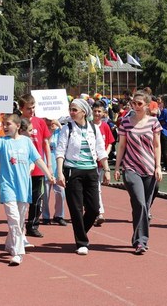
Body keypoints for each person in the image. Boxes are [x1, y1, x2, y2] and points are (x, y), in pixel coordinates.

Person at [0, 115, 55, 266]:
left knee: (20, 220)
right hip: (7, 186)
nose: (5, 127)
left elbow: (37, 159)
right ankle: (18, 252)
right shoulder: (2, 141)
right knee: (14, 218)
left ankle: (10, 243)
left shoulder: (27, 142)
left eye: (8, 124)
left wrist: (49, 174)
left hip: (23, 187)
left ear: (17, 125)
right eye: (3, 124)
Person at [55, 99, 111, 256]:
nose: (72, 112)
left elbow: (101, 150)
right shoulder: (67, 128)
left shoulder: (94, 128)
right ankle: (82, 242)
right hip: (73, 171)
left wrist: (106, 169)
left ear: (84, 112)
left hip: (92, 171)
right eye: (70, 109)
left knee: (94, 209)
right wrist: (60, 172)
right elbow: (60, 151)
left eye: (75, 110)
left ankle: (80, 232)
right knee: (76, 208)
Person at [114, 91, 163, 254]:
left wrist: (158, 167)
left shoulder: (154, 122)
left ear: (147, 105)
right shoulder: (126, 123)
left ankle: (138, 239)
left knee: (142, 207)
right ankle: (141, 241)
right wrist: (117, 167)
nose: (136, 106)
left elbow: (157, 145)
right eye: (133, 103)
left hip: (149, 169)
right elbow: (121, 146)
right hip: (131, 168)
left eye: (139, 103)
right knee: (140, 203)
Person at [19, 94, 52, 238]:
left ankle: (33, 225)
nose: (31, 110)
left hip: (38, 168)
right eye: (28, 108)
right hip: (20, 167)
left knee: (37, 198)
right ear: (21, 109)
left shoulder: (40, 122)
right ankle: (18, 225)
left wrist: (49, 164)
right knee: (21, 199)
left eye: (33, 107)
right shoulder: (16, 122)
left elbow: (46, 143)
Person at [92, 100, 115, 226]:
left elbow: (110, 142)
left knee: (97, 187)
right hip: (91, 162)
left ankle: (97, 211)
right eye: (95, 111)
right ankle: (98, 212)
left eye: (99, 111)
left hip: (101, 163)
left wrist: (106, 153)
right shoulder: (88, 125)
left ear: (103, 113)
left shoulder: (105, 126)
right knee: (96, 187)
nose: (97, 113)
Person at [41, 118, 67, 226]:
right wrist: (50, 130)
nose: (50, 121)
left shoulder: (60, 130)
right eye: (47, 119)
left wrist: (59, 125)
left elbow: (66, 140)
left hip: (58, 166)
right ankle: (45, 216)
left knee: (61, 192)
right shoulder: (43, 130)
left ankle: (59, 215)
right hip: (47, 163)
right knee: (45, 193)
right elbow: (47, 143)